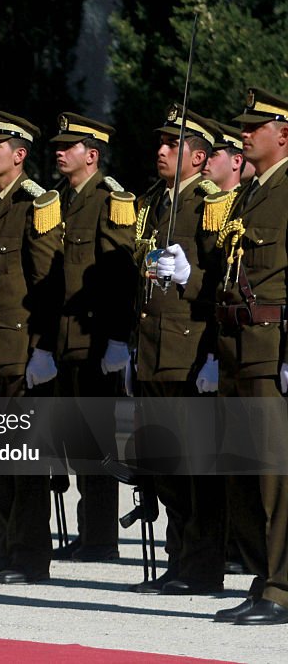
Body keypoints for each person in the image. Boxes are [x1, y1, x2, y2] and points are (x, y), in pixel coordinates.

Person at [0, 110, 63, 585]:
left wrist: (43, 347)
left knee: (25, 461)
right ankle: (7, 546)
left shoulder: (36, 203)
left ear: (19, 155)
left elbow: (47, 283)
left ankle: (30, 555)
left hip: (21, 351)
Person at [130, 106, 225, 595]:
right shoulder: (155, 202)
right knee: (166, 469)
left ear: (199, 157)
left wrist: (212, 353)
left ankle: (204, 565)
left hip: (189, 352)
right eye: (160, 143)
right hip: (152, 351)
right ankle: (179, 559)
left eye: (173, 145)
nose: (161, 151)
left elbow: (224, 281)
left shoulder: (211, 204)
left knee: (194, 469)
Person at [213, 87, 288, 625]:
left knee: (273, 477)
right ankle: (263, 578)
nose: (243, 134)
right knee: (243, 474)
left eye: (252, 128)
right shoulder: (247, 194)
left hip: (271, 348)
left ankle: (282, 588)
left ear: (282, 133)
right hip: (236, 346)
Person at [49, 113, 135, 563]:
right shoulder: (61, 199)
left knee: (97, 441)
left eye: (69, 146)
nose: (59, 152)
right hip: (67, 340)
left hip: (96, 340)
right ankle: (90, 532)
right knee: (75, 441)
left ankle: (102, 538)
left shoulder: (109, 199)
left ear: (92, 154)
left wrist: (119, 338)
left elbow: (120, 274)